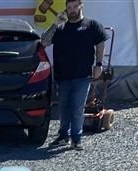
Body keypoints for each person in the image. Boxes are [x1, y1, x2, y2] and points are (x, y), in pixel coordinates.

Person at [42, 0, 108, 150]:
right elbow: (44, 42)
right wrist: (55, 23)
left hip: (82, 75)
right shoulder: (61, 28)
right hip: (63, 75)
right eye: (69, 8)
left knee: (77, 108)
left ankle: (76, 138)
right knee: (63, 108)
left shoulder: (91, 25)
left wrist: (99, 65)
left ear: (81, 6)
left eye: (74, 7)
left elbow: (100, 44)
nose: (71, 10)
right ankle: (63, 136)